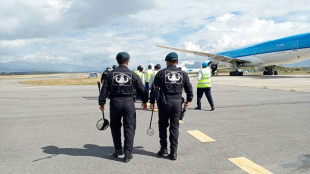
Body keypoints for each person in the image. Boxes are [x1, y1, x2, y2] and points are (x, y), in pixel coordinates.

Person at [99, 52, 148, 163]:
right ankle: (128, 154)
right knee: (129, 127)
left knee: (115, 126)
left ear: (117, 61)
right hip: (129, 102)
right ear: (128, 61)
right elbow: (142, 89)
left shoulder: (110, 74)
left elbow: (104, 90)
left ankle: (118, 149)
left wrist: (102, 103)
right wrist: (145, 101)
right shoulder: (133, 74)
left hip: (115, 102)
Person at [150, 52, 193, 160]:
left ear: (167, 62)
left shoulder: (161, 73)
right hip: (177, 103)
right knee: (174, 127)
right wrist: (189, 100)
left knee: (162, 125)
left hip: (164, 103)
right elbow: (189, 89)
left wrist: (151, 102)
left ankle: (163, 148)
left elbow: (154, 89)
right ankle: (174, 152)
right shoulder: (183, 74)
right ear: (177, 62)